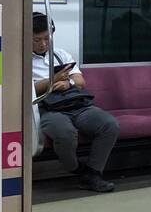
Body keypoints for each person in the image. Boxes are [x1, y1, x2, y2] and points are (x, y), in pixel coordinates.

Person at [31, 13, 118, 193]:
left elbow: (79, 81)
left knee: (109, 125)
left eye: (47, 38)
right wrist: (52, 80)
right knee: (65, 133)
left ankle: (93, 173)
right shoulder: (22, 60)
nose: (43, 44)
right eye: (37, 40)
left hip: (75, 103)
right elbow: (29, 90)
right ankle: (77, 169)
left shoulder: (60, 55)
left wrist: (67, 82)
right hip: (48, 109)